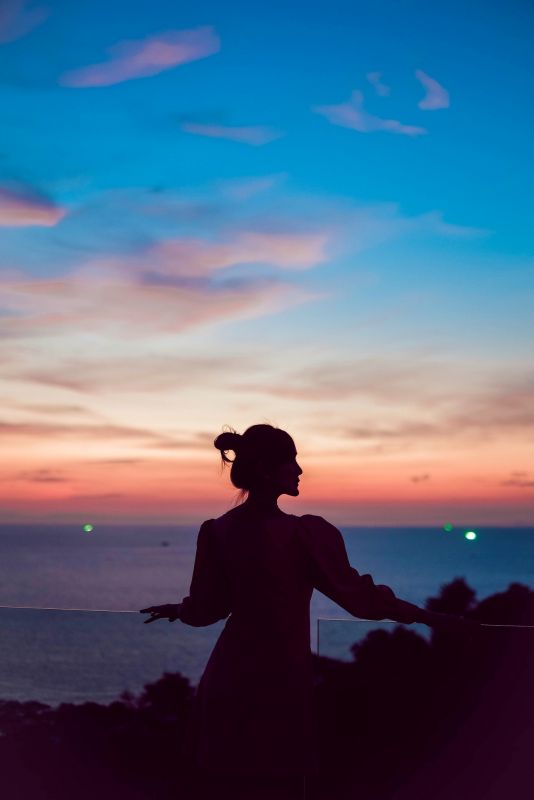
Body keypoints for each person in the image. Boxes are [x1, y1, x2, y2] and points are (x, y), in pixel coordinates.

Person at [140, 424, 479, 799]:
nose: (299, 470)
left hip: (228, 674)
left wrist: (178, 610)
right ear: (267, 469)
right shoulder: (302, 535)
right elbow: (361, 599)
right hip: (279, 678)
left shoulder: (217, 531)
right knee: (277, 783)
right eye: (292, 460)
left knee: (228, 784)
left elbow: (206, 610)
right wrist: (434, 618)